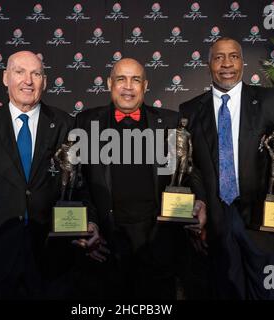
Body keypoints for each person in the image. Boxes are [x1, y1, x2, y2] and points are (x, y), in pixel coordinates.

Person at [0, 51, 98, 299]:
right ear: (6, 77)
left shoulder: (65, 124)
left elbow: (81, 183)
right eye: (20, 72)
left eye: (36, 74)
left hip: (50, 256)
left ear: (45, 82)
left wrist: (90, 221)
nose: (28, 81)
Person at [179, 38, 274, 299]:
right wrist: (199, 202)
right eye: (219, 57)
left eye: (233, 56)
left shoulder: (271, 101)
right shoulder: (191, 110)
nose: (226, 64)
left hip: (269, 226)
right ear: (208, 64)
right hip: (217, 231)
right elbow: (191, 168)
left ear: (242, 62)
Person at [73, 58, 206, 299]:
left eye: (135, 80)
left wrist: (200, 203)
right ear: (109, 83)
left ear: (145, 86)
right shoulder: (85, 122)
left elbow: (190, 171)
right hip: (106, 245)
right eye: (121, 79)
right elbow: (78, 183)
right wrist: (90, 223)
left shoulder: (170, 122)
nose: (128, 86)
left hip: (158, 242)